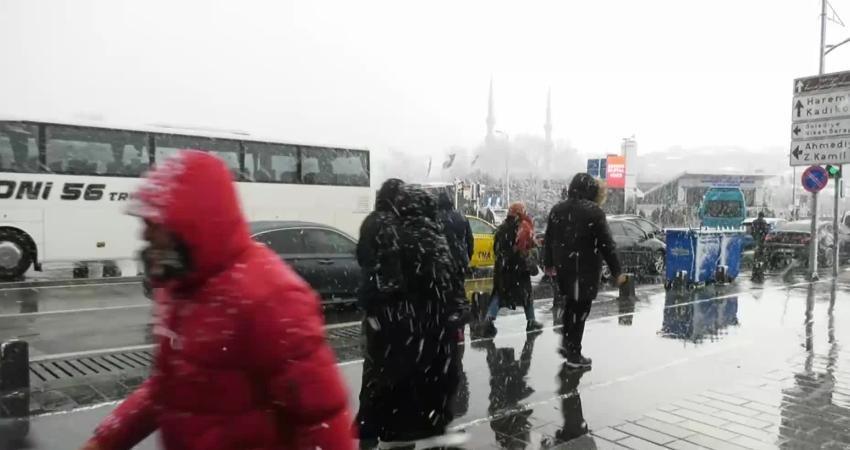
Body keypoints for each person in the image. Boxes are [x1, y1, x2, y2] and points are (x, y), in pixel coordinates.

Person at [79, 151, 352, 450]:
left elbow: (321, 418)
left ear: (190, 221)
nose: (145, 233)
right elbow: (168, 386)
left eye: (156, 223)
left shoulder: (271, 298)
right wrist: (105, 439)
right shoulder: (180, 287)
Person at [369, 186, 466, 449]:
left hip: (401, 337)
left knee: (400, 407)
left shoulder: (393, 237)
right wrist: (454, 320)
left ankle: (400, 438)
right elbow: (451, 288)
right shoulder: (436, 240)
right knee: (433, 401)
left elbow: (385, 286)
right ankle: (435, 432)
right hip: (433, 336)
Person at [544, 173, 624, 368]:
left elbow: (549, 239)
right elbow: (607, 244)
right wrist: (617, 271)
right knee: (581, 310)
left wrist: (548, 263)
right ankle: (574, 354)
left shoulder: (557, 210)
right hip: (586, 269)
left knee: (571, 305)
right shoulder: (594, 212)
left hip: (564, 268)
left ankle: (567, 342)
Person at [353, 178, 405, 449]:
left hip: (372, 307)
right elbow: (397, 271)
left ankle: (367, 431)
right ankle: (393, 430)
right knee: (396, 370)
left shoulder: (371, 221)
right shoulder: (395, 225)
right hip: (391, 309)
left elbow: (362, 257)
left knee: (372, 369)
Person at [485, 202, 544, 335]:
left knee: (499, 294)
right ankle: (531, 321)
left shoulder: (501, 228)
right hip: (518, 267)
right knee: (527, 295)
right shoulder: (522, 227)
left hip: (503, 267)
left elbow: (496, 249)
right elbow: (524, 247)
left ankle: (488, 320)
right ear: (519, 213)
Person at [436, 191, 474, 306]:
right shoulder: (462, 217)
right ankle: (459, 314)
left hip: (443, 262)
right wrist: (467, 256)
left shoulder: (437, 218)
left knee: (443, 293)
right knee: (459, 289)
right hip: (460, 261)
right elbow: (470, 240)